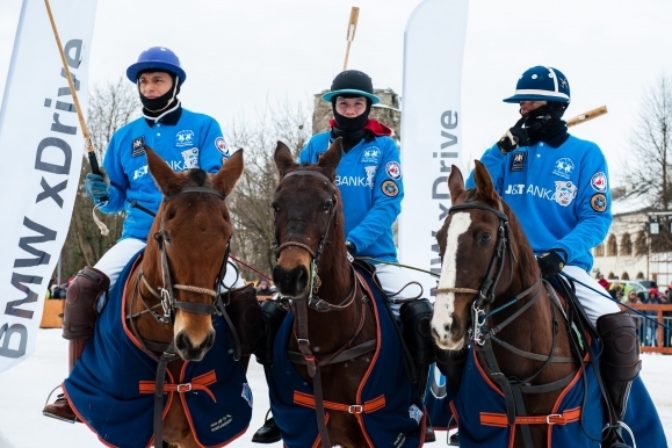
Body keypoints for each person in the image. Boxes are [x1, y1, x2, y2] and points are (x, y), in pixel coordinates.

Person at [42, 46, 248, 422]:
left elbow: (215, 183)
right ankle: (77, 389)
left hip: (191, 239)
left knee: (244, 296)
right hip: (139, 235)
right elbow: (115, 199)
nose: (150, 87)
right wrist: (103, 193)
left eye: (158, 80)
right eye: (145, 81)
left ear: (174, 83)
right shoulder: (125, 137)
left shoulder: (204, 127)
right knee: (82, 290)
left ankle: (241, 381)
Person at [251, 69, 434, 443]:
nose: (350, 108)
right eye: (344, 102)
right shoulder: (315, 145)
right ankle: (279, 405)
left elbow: (388, 202)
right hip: (312, 256)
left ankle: (413, 404)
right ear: (334, 106)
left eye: (357, 102)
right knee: (269, 318)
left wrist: (351, 243)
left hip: (374, 256)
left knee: (417, 313)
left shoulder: (385, 149)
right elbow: (296, 197)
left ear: (368, 107)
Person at [467, 66, 641, 447]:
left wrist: (563, 252)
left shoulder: (585, 154)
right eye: (520, 102)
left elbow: (596, 217)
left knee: (620, 329)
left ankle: (614, 421)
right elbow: (471, 192)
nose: (522, 108)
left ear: (555, 105)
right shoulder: (508, 152)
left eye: (528, 101)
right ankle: (455, 413)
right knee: (455, 321)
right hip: (508, 267)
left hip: (563, 265)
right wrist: (500, 149)